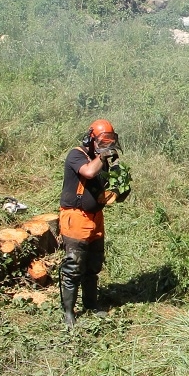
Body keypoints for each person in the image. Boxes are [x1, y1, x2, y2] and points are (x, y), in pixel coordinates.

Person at [59, 119, 118, 326]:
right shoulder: (77, 154)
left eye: (109, 142)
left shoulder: (100, 159)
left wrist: (120, 187)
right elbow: (89, 172)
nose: (105, 146)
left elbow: (105, 185)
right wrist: (103, 155)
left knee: (93, 265)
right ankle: (68, 312)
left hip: (96, 219)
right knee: (74, 267)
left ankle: (91, 304)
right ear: (91, 139)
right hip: (76, 217)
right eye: (102, 142)